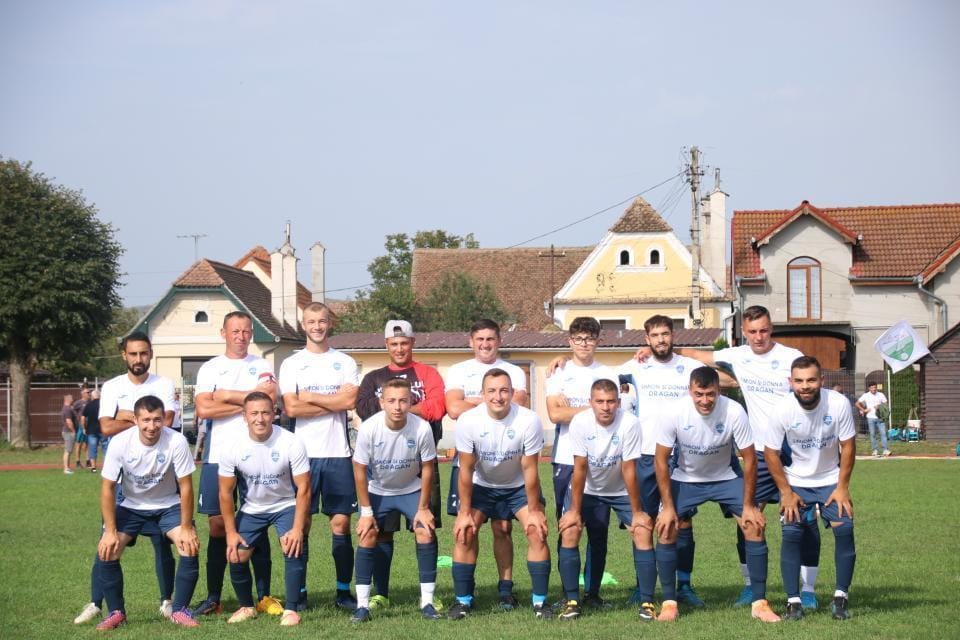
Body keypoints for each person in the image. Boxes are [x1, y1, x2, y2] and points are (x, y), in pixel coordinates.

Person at [638, 306, 819, 609]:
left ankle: (806, 589)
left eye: (764, 330)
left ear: (771, 328)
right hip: (757, 451)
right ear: (744, 333)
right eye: (753, 331)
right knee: (745, 519)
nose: (759, 336)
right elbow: (698, 356)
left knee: (803, 517)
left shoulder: (791, 357)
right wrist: (658, 348)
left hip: (793, 448)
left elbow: (810, 385)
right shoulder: (737, 356)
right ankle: (743, 589)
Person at [654, 366, 780, 623]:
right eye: (699, 394)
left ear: (719, 391)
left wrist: (749, 505)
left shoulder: (734, 411)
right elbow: (660, 460)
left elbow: (749, 458)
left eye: (710, 394)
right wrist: (667, 506)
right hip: (685, 478)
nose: (705, 400)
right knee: (667, 528)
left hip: (726, 476)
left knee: (753, 525)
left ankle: (759, 603)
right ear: (690, 391)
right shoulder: (673, 412)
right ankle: (669, 603)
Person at [74, 332, 178, 625]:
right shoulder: (112, 386)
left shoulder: (164, 384)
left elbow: (167, 422)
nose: (138, 359)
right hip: (122, 477)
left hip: (158, 474)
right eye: (133, 354)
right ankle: (96, 602)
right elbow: (105, 427)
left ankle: (167, 601)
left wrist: (125, 415)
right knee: (107, 540)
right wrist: (143, 419)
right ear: (124, 355)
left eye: (143, 353)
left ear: (151, 354)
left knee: (162, 542)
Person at [618, 314, 710, 607]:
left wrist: (686, 352)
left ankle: (684, 585)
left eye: (665, 334)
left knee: (682, 521)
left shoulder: (690, 367)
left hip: (680, 455)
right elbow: (597, 379)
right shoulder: (634, 367)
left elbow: (729, 377)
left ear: (673, 335)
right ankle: (642, 585)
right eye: (655, 335)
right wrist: (562, 362)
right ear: (646, 339)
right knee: (643, 522)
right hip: (645, 454)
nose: (661, 340)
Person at [191, 312, 280, 617]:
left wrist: (227, 395)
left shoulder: (262, 365)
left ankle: (264, 596)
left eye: (246, 331)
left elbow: (269, 398)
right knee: (217, 525)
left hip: (257, 455)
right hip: (218, 457)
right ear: (223, 333)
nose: (241, 336)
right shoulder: (210, 368)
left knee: (258, 519)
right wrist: (250, 402)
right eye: (235, 331)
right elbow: (204, 408)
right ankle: (214, 597)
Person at [354, 320, 446, 608]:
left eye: (404, 342)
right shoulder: (374, 377)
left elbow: (437, 407)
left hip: (420, 465)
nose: (399, 348)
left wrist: (403, 410)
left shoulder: (427, 373)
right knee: (381, 532)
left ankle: (428, 597)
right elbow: (363, 407)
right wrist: (400, 408)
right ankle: (380, 593)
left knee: (425, 527)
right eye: (394, 343)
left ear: (412, 343)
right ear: (386, 345)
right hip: (382, 470)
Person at [448, 368, 553, 620]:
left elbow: (530, 468)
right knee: (465, 532)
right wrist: (464, 513)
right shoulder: (468, 421)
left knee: (536, 531)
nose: (498, 397)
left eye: (504, 390)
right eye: (492, 391)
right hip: (482, 485)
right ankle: (463, 601)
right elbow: (465, 469)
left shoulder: (529, 420)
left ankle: (540, 602)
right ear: (482, 394)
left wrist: (535, 511)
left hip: (517, 487)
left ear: (513, 393)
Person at [93, 395, 200, 630]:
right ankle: (116, 613)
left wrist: (186, 527)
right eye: (146, 420)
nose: (152, 426)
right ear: (135, 420)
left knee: (189, 545)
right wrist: (109, 531)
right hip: (131, 506)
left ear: (164, 419)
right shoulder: (120, 442)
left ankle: (179, 610)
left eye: (157, 420)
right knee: (108, 550)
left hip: (168, 505)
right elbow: (107, 488)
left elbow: (186, 486)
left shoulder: (177, 441)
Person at [279, 302, 360, 611]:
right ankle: (299, 592)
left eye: (322, 321)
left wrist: (311, 396)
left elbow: (349, 401)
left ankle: (343, 592)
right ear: (304, 325)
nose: (317, 326)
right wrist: (333, 401)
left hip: (338, 454)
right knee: (301, 525)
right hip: (303, 457)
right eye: (311, 321)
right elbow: (291, 408)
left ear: (330, 323)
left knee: (341, 525)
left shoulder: (344, 361)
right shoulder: (292, 364)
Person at [445, 319, 529, 609]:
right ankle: (464, 595)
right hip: (470, 458)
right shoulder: (458, 370)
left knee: (503, 528)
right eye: (479, 339)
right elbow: (453, 408)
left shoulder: (514, 371)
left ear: (499, 341)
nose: (485, 344)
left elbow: (519, 405)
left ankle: (505, 590)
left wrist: (473, 401)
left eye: (490, 339)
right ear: (471, 341)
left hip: (506, 457)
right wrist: (492, 404)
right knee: (467, 528)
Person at [765, 356, 857, 621]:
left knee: (845, 528)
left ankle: (840, 597)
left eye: (811, 380)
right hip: (796, 482)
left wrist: (842, 487)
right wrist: (786, 492)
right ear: (790, 382)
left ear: (822, 380)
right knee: (792, 533)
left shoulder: (838, 403)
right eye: (799, 381)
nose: (805, 386)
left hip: (830, 479)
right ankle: (793, 602)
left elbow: (848, 446)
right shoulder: (782, 409)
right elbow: (770, 453)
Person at [556, 379, 650, 621]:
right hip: (588, 489)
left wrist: (637, 512)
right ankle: (572, 601)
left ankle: (647, 602)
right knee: (570, 530)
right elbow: (580, 467)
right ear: (591, 402)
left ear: (618, 402)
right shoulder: (580, 422)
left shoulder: (630, 423)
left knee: (642, 530)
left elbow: (629, 468)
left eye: (610, 402)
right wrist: (574, 510)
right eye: (600, 401)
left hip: (620, 490)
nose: (605, 407)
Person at [218, 392, 311, 627]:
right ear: (244, 416)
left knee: (292, 546)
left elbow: (304, 488)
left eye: (265, 413)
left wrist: (297, 529)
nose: (260, 419)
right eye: (254, 413)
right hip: (252, 508)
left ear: (274, 414)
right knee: (236, 553)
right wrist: (231, 532)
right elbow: (225, 493)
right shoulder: (232, 446)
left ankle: (291, 609)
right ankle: (246, 607)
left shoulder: (291, 442)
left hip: (285, 504)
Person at [545, 316, 618, 608]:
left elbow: (611, 415)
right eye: (578, 338)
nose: (584, 344)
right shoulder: (558, 372)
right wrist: (593, 411)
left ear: (598, 340)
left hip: (601, 462)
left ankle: (593, 594)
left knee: (598, 531)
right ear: (570, 341)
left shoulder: (608, 374)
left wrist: (573, 409)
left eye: (589, 338)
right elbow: (555, 414)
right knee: (568, 526)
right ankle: (569, 594)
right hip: (566, 460)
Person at [856, 382, 891, 457]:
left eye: (875, 387)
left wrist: (879, 406)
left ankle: (885, 450)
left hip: (880, 418)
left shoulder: (881, 395)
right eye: (872, 387)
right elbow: (857, 403)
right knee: (872, 434)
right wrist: (863, 410)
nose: (874, 389)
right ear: (869, 388)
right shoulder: (866, 395)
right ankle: (875, 450)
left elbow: (886, 404)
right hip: (870, 418)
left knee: (883, 434)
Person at [82, 389, 104, 472]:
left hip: (91, 430)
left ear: (92, 396)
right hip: (103, 429)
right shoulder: (104, 404)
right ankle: (106, 466)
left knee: (92, 448)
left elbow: (83, 418)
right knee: (105, 447)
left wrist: (84, 428)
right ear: (100, 396)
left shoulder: (88, 405)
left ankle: (93, 467)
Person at [72, 387, 92, 468]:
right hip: (81, 426)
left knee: (87, 444)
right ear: (83, 394)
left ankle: (88, 461)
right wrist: (78, 417)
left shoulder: (90, 402)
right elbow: (72, 410)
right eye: (87, 392)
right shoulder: (78, 403)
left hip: (89, 426)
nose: (89, 394)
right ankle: (77, 461)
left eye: (89, 392)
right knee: (79, 444)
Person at [61, 394, 77, 475]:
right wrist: (73, 431)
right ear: (68, 400)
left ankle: (67, 467)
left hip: (67, 431)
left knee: (68, 450)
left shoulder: (67, 408)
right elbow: (69, 422)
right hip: (68, 432)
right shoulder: (67, 409)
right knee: (68, 450)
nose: (73, 400)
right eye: (72, 399)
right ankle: (66, 468)